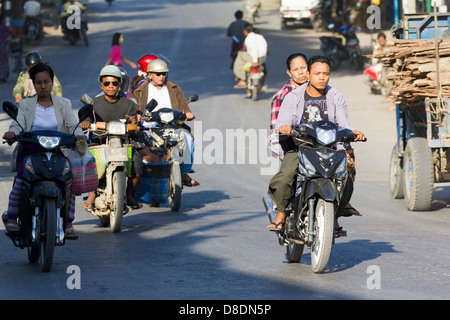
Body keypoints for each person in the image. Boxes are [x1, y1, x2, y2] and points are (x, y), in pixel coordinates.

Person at [266, 56, 365, 236]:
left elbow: (344, 124)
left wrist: (354, 133)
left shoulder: (336, 96)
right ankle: (280, 213)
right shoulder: (293, 97)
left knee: (346, 177)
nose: (322, 77)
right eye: (317, 73)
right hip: (301, 148)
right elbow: (283, 122)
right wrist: (286, 128)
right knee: (285, 175)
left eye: (326, 74)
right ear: (309, 74)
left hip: (330, 148)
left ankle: (334, 217)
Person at [3, 62, 86, 239]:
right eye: (38, 82)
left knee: (68, 182)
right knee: (20, 180)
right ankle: (12, 218)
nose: (43, 86)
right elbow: (17, 124)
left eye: (46, 82)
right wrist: (12, 133)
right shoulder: (26, 105)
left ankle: (69, 222)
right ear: (33, 84)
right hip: (31, 150)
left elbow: (72, 124)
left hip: (56, 151)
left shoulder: (64, 103)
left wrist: (79, 134)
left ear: (52, 81)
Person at [80, 65, 156, 209]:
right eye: (107, 83)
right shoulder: (94, 104)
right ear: (101, 85)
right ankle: (91, 194)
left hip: (124, 143)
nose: (111, 86)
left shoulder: (129, 104)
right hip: (99, 143)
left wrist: (134, 123)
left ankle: (128, 194)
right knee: (88, 161)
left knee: (138, 164)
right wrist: (86, 123)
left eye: (114, 83)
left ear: (119, 85)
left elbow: (133, 122)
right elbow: (87, 120)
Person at [133, 58, 199, 187]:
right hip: (149, 128)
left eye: (163, 74)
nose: (161, 76)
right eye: (158, 74)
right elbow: (136, 111)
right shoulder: (140, 91)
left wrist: (187, 114)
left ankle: (183, 171)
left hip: (172, 126)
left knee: (188, 139)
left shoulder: (174, 88)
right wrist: (139, 117)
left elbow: (184, 107)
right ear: (150, 74)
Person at [270, 53, 309, 135]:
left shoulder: (318, 89)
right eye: (295, 70)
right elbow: (275, 131)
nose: (300, 72)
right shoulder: (281, 96)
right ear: (289, 73)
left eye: (303, 68)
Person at [233, 22, 267, 89]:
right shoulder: (260, 36)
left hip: (255, 58)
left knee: (240, 55)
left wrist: (255, 61)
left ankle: (242, 79)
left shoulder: (248, 39)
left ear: (245, 31)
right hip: (262, 58)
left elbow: (254, 50)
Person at [0, 14, 10, 82]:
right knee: (3, 61)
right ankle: (2, 76)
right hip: (2, 46)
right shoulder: (4, 27)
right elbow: (11, 33)